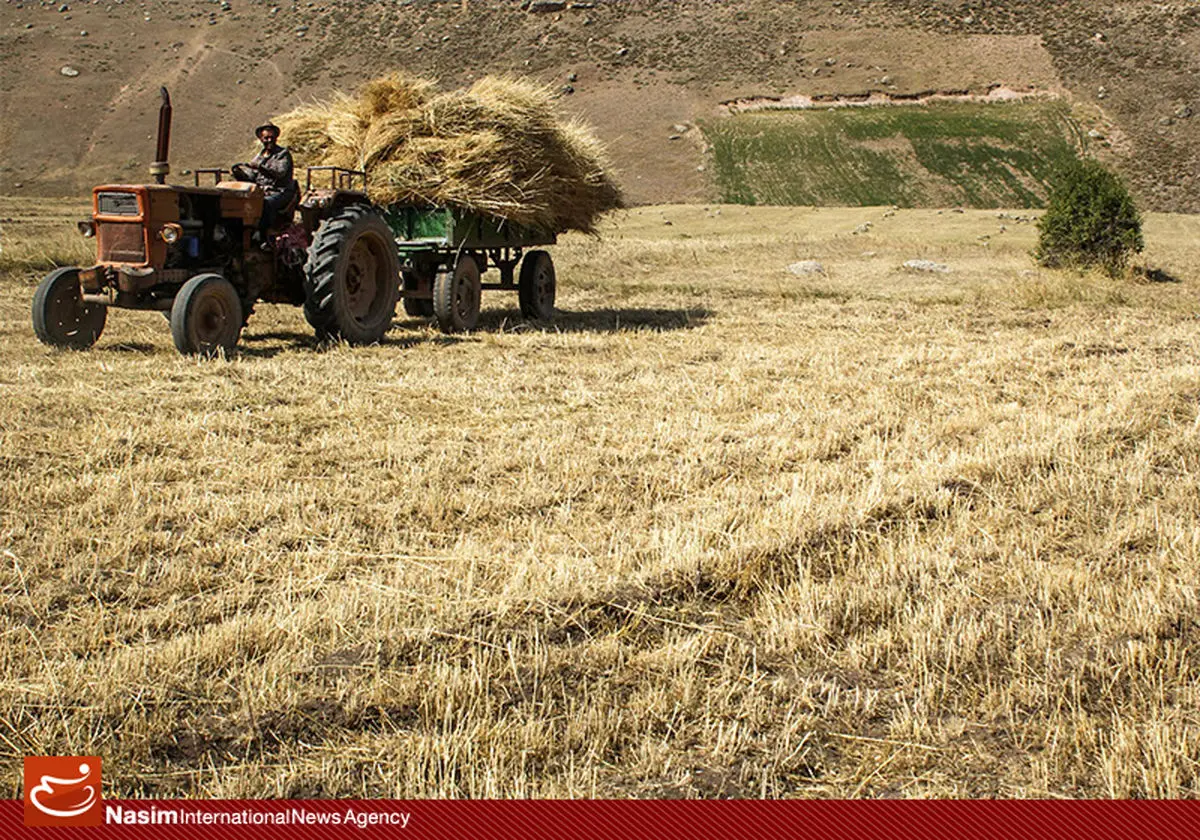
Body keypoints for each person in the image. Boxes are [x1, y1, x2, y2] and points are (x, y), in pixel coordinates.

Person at [233, 121, 298, 238]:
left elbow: (280, 173)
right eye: (266, 138)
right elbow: (252, 177)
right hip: (261, 191)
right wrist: (239, 173)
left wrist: (261, 167)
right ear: (260, 139)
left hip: (280, 191)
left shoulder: (283, 154)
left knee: (266, 203)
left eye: (271, 137)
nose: (269, 140)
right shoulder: (259, 156)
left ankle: (264, 235)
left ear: (276, 137)